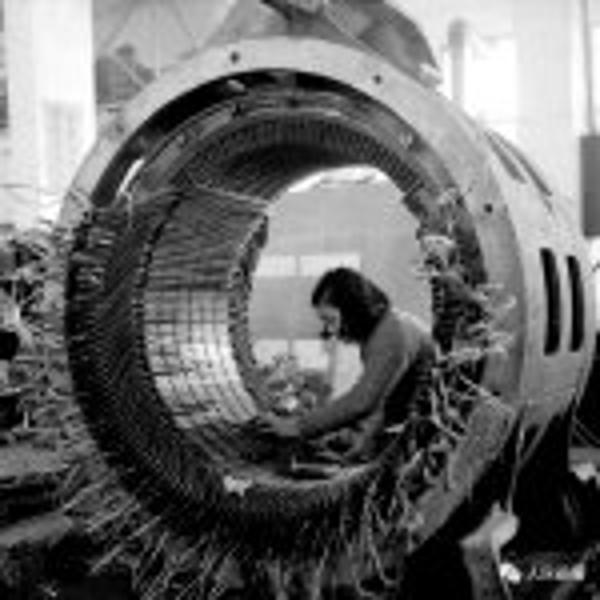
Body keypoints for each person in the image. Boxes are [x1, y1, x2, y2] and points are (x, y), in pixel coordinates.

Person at [257, 267, 435, 458]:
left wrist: (296, 426)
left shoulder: (390, 336)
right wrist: (366, 435)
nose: (330, 330)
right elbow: (384, 396)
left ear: (352, 309)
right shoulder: (385, 328)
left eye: (330, 320)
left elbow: (362, 401)